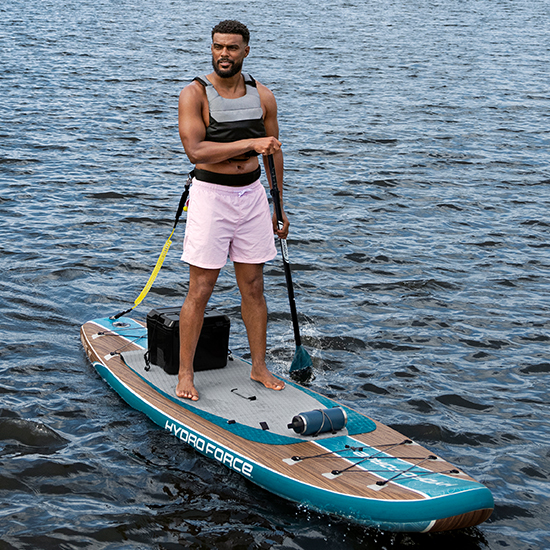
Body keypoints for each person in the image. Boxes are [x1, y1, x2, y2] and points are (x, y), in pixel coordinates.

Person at [176, 20, 289, 400]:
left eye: (232, 47)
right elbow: (196, 151)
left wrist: (279, 206)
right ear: (212, 48)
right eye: (218, 47)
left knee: (254, 286)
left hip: (252, 196)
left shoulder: (263, 95)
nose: (224, 54)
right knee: (201, 288)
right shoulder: (194, 94)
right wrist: (250, 144)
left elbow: (273, 151)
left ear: (245, 51)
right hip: (212, 196)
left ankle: (258, 367)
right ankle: (186, 374)